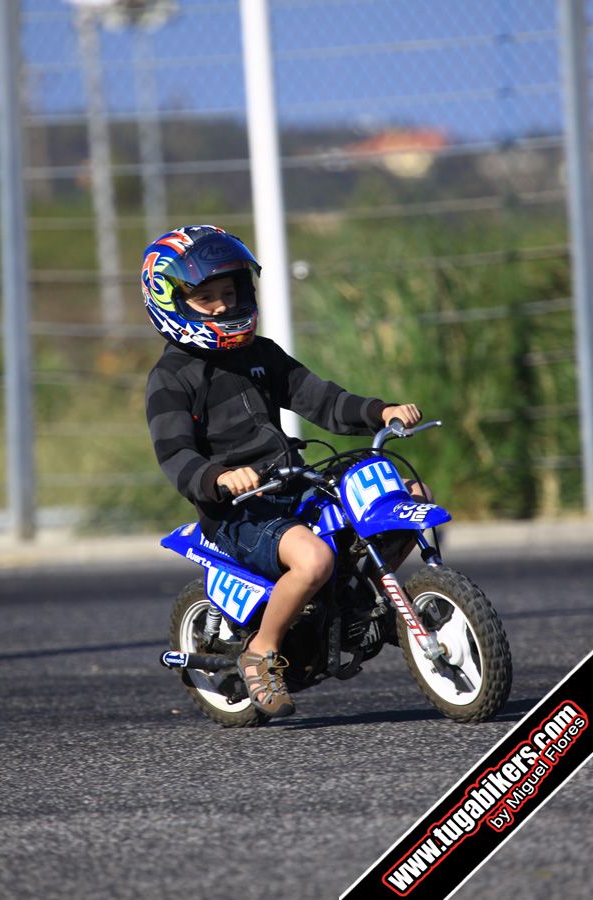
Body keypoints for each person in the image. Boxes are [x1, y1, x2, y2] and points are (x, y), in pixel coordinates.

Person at [143, 225, 424, 719]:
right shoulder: (171, 378)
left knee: (408, 495)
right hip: (237, 513)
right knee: (313, 560)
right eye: (206, 298)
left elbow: (323, 400)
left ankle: (363, 606)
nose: (222, 307)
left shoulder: (262, 354)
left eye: (229, 293)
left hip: (292, 485)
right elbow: (175, 456)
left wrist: (380, 412)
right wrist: (218, 478)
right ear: (172, 302)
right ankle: (261, 652)